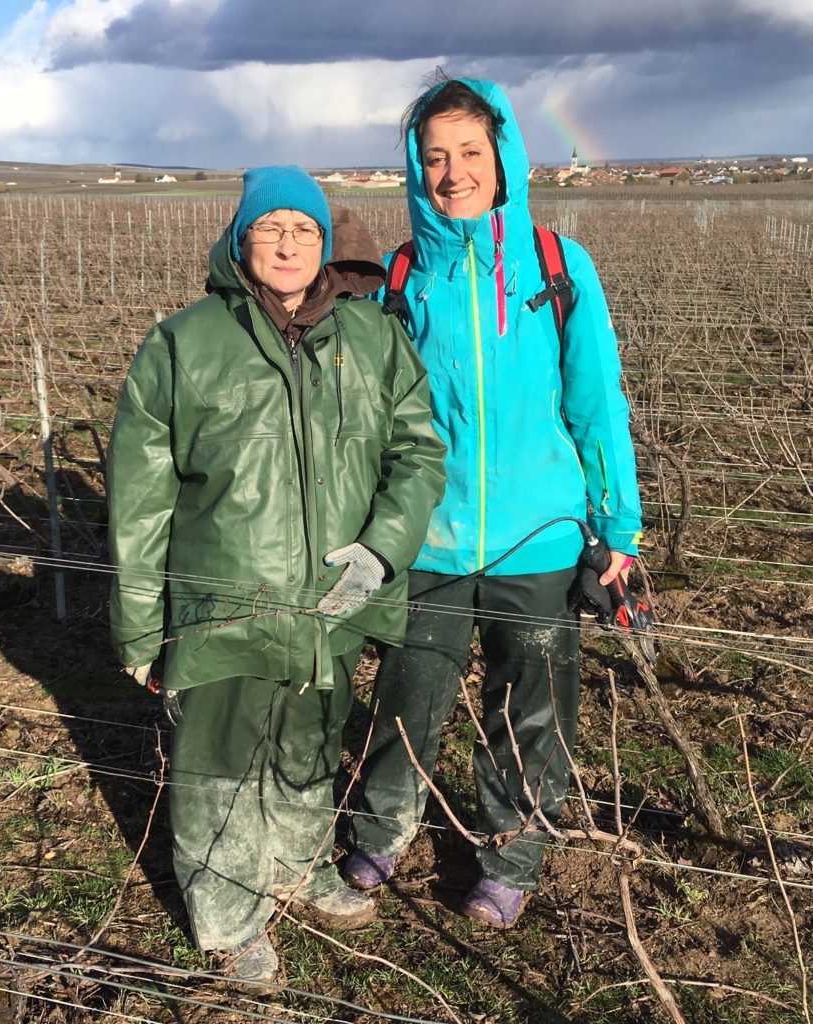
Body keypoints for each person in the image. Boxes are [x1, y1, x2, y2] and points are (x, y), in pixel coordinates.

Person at [107, 165, 446, 987]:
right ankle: (227, 913)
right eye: (270, 228)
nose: (288, 244)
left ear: (326, 245)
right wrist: (140, 625)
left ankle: (298, 866)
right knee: (216, 764)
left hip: (334, 604)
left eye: (304, 229)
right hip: (223, 602)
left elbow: (419, 451)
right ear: (239, 240)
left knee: (309, 745)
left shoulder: (374, 338)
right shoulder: (184, 344)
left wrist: (382, 549)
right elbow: (140, 502)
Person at [344, 78, 643, 928]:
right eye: (434, 156)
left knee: (533, 707)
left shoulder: (557, 265)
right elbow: (374, 418)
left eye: (470, 152)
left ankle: (510, 853)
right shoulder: (401, 277)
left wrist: (617, 524)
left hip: (541, 535)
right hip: (431, 537)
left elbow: (596, 403)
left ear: (503, 157)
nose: (452, 172)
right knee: (411, 693)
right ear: (414, 165)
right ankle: (384, 827)